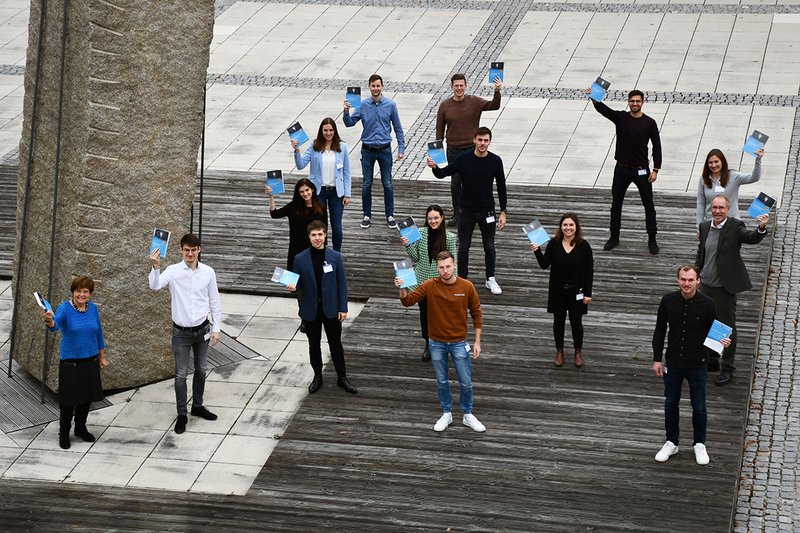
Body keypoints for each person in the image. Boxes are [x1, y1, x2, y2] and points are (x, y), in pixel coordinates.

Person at [397, 251, 485, 433]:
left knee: (466, 382)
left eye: (448, 266)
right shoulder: (429, 285)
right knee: (442, 381)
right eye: (441, 267)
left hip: (460, 342)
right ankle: (447, 413)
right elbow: (408, 301)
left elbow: (476, 312)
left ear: (454, 266)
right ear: (437, 268)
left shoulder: (467, 286)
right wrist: (402, 287)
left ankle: (468, 414)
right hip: (436, 342)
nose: (445, 271)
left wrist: (477, 341)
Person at [652, 265, 729, 465]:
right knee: (670, 403)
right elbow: (659, 330)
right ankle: (671, 442)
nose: (687, 283)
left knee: (700, 406)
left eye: (690, 280)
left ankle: (699, 444)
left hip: (698, 364)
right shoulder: (667, 300)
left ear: (698, 281)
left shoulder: (708, 304)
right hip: (673, 362)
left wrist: (721, 342)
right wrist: (656, 359)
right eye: (683, 279)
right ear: (678, 280)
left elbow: (715, 333)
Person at [149, 233, 222, 434]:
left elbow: (215, 301)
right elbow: (154, 286)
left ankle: (197, 406)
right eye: (186, 250)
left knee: (201, 369)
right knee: (181, 374)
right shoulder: (172, 271)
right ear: (181, 250)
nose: (190, 253)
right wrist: (156, 267)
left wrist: (216, 329)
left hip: (202, 329)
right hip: (181, 332)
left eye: (193, 250)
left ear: (199, 250)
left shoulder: (208, 272)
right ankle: (182, 414)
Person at [695, 194, 768, 386]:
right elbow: (701, 253)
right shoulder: (704, 227)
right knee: (707, 322)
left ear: (728, 209)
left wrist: (760, 228)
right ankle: (712, 360)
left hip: (724, 287)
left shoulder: (735, 226)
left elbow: (750, 238)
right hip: (705, 285)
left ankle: (728, 367)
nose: (717, 211)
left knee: (727, 327)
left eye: (721, 208)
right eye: (715, 208)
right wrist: (696, 275)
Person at [428, 126, 507, 295]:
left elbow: (501, 186)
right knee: (463, 247)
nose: (482, 144)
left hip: (487, 211)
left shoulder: (495, 161)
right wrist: (434, 167)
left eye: (486, 140)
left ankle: (490, 278)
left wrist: (503, 211)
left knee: (490, 246)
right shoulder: (464, 159)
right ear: (474, 140)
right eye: (480, 140)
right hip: (467, 211)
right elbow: (443, 173)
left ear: (490, 142)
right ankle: (462, 279)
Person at [586, 88, 662, 254]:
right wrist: (594, 97)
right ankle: (614, 236)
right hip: (621, 169)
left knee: (648, 205)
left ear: (642, 102)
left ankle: (652, 238)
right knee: (616, 204)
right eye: (632, 101)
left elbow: (657, 146)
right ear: (628, 102)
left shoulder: (650, 123)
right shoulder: (621, 118)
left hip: (642, 170)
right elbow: (603, 110)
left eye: (638, 101)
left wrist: (656, 169)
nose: (635, 104)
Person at [287, 221, 357, 394]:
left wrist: (343, 307)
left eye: (320, 234)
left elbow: (342, 284)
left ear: (325, 235)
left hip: (332, 309)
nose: (317, 238)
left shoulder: (335, 256)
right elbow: (298, 284)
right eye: (314, 235)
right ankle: (317, 376)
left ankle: (342, 377)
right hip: (311, 309)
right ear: (309, 237)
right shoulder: (300, 259)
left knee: (336, 345)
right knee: (313, 345)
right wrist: (293, 287)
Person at [42, 276, 108, 450]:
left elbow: (98, 333)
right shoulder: (65, 308)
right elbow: (55, 325)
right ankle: (64, 433)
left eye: (85, 291)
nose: (81, 294)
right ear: (73, 292)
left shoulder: (92, 309)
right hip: (71, 364)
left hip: (91, 360)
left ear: (90, 294)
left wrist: (102, 356)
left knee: (86, 398)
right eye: (78, 291)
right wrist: (49, 320)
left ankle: (80, 428)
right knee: (69, 401)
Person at [435, 73, 502, 226]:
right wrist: (437, 150)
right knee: (455, 182)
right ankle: (458, 213)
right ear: (452, 87)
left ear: (466, 86)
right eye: (456, 85)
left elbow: (494, 105)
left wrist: (497, 91)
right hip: (453, 149)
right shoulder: (445, 105)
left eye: (461, 85)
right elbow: (439, 128)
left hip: (472, 149)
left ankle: (475, 213)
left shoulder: (474, 102)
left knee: (474, 181)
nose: (459, 88)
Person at [530, 213, 594, 368]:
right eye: (565, 225)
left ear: (576, 227)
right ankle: (559, 351)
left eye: (571, 225)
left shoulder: (584, 246)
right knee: (558, 322)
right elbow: (544, 265)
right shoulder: (553, 244)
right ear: (561, 227)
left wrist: (588, 293)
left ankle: (578, 352)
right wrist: (537, 251)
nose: (568, 228)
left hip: (577, 291)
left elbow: (589, 271)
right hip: (557, 291)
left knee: (576, 322)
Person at [343, 73, 405, 230]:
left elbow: (398, 128)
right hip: (368, 150)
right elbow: (349, 123)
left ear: (382, 87)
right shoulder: (362, 105)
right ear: (369, 87)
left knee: (388, 183)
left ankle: (390, 215)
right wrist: (346, 111)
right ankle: (367, 214)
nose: (376, 88)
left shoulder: (391, 105)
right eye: (373, 86)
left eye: (378, 85)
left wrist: (401, 148)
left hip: (384, 150)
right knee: (367, 183)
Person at [401, 204, 458, 362]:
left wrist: (455, 285)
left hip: (442, 283)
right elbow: (416, 258)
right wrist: (407, 245)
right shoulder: (421, 233)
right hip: (422, 282)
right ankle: (428, 344)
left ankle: (443, 345)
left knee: (442, 316)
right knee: (425, 315)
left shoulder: (451, 237)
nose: (433, 221)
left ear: (442, 218)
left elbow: (454, 263)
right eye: (430, 218)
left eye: (436, 218)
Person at [292, 117, 351, 251]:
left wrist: (347, 194)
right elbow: (301, 165)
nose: (328, 133)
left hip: (337, 192)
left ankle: (336, 254)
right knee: (319, 225)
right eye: (325, 130)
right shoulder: (314, 146)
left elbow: (346, 172)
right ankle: (320, 252)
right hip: (319, 192)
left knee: (336, 226)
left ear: (335, 131)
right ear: (321, 131)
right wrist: (296, 151)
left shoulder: (343, 147)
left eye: (331, 130)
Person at [266, 178, 327, 271]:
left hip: (315, 246)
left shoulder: (321, 207)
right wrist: (271, 196)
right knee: (294, 278)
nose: (305, 194)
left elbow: (325, 229)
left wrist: (323, 248)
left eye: (307, 190)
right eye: (302, 192)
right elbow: (275, 214)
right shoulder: (294, 206)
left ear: (312, 190)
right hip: (297, 247)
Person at [696, 148, 764, 226]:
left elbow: (754, 178)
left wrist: (758, 160)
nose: (713, 165)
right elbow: (701, 203)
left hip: (732, 225)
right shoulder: (704, 179)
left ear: (722, 162)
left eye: (716, 161)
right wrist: (699, 226)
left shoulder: (733, 176)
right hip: (711, 224)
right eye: (710, 162)